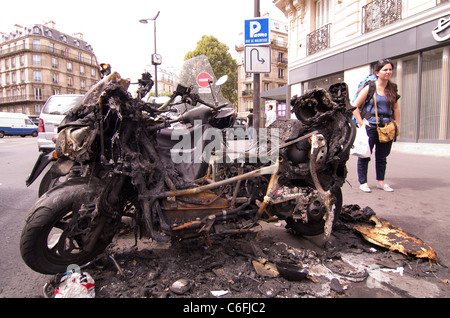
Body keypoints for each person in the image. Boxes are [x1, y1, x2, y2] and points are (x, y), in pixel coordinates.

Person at [352, 59, 400, 193]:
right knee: (365, 155)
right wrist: (361, 123)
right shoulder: (370, 87)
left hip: (386, 127)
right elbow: (354, 106)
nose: (388, 72)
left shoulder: (393, 88)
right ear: (377, 72)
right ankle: (363, 182)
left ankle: (380, 183)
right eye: (385, 70)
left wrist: (396, 124)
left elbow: (396, 108)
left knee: (382, 157)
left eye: (390, 69)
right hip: (371, 126)